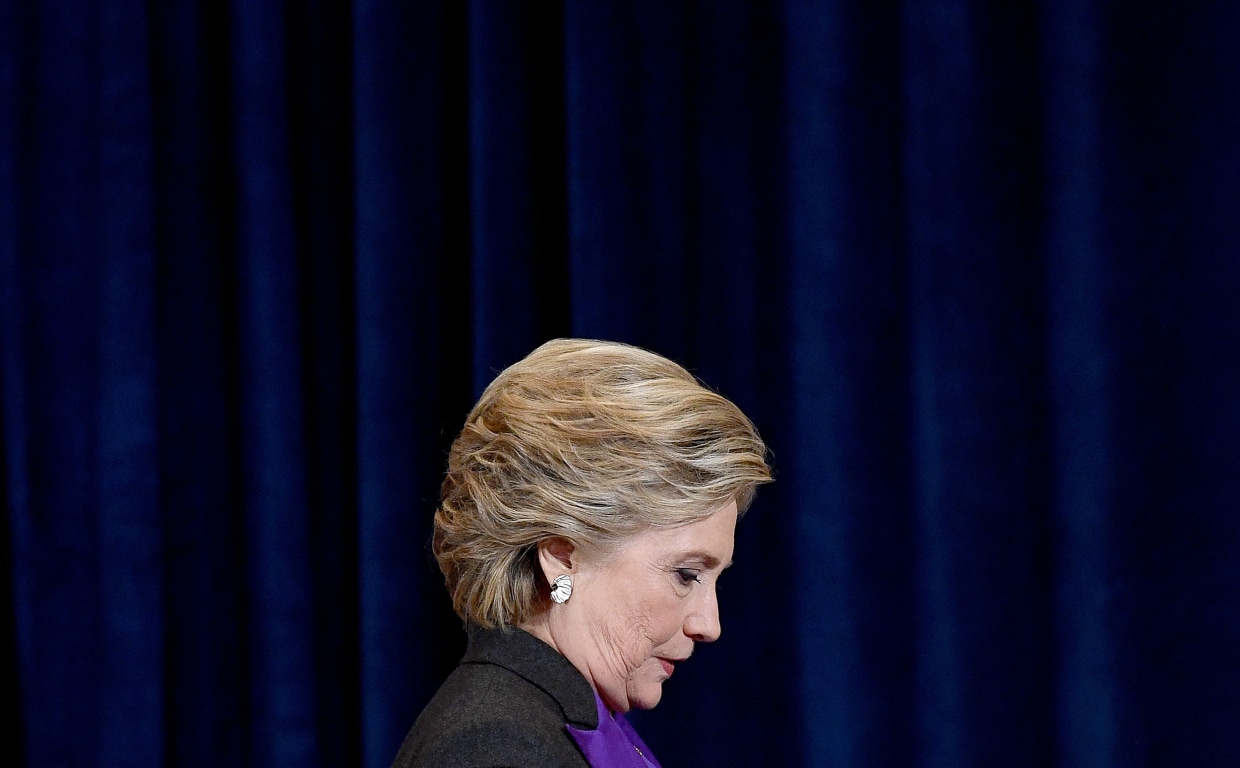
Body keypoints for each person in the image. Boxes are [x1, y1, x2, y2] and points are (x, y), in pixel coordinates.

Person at [390, 338, 772, 768]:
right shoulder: (494, 748)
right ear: (562, 557)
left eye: (715, 578)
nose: (710, 625)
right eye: (686, 574)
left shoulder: (549, 724)